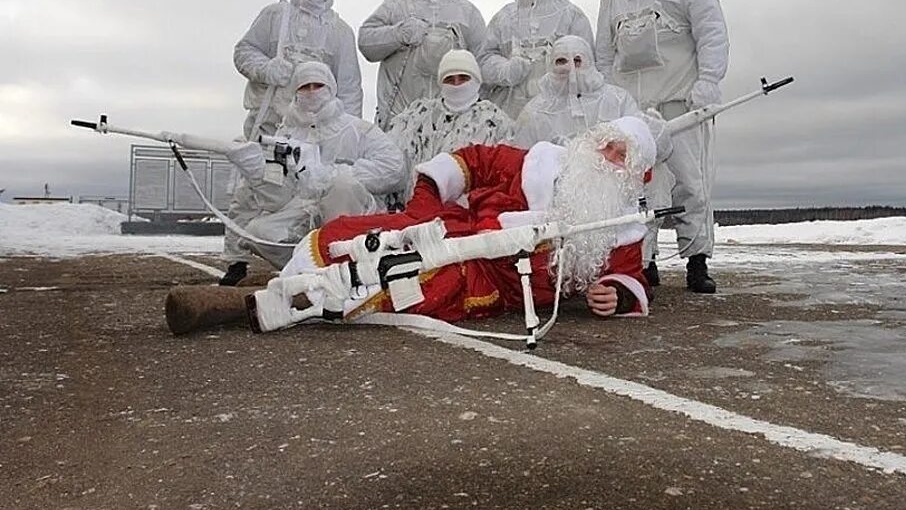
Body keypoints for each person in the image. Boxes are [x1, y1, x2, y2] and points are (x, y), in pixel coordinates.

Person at [249, 117, 659, 332]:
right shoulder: (536, 164)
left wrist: (618, 297)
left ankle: (312, 302)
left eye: (621, 155)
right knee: (362, 239)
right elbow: (470, 162)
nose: (606, 157)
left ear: (637, 174)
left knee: (413, 287)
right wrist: (422, 208)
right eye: (605, 144)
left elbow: (630, 277)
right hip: (450, 230)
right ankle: (295, 281)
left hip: (485, 286)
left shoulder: (621, 229)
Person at [595, 0, 729, 293]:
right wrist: (609, 99)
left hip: (681, 101)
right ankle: (643, 260)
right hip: (634, 112)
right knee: (638, 189)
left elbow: (711, 28)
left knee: (693, 184)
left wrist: (708, 80)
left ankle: (697, 260)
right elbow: (604, 51)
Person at [218, 62, 405, 285]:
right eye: (304, 87)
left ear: (331, 88)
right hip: (306, 210)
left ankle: (351, 263)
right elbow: (273, 196)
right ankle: (310, 267)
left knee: (342, 185)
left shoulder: (358, 129)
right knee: (258, 231)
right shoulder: (285, 135)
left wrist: (333, 174)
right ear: (295, 92)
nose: (312, 92)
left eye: (318, 85)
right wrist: (258, 172)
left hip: (353, 216)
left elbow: (394, 168)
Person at [359, 0, 487, 130]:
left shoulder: (468, 12)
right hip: (397, 119)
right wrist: (398, 33)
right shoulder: (397, 5)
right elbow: (366, 41)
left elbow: (482, 64)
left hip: (452, 124)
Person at [233, 0, 363, 140]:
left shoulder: (341, 32)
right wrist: (265, 69)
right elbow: (244, 50)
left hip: (315, 134)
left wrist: (350, 135)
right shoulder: (275, 15)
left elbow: (349, 89)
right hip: (265, 125)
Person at [385, 49, 515, 206]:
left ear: (476, 80)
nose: (456, 84)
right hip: (417, 209)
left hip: (468, 214)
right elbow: (393, 160)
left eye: (463, 78)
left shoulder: (495, 121)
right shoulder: (417, 117)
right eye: (450, 79)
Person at [479, 0, 594, 119]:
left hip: (562, 113)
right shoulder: (505, 17)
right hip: (510, 113)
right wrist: (505, 70)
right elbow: (484, 59)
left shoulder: (571, 15)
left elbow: (589, 64)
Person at [515, 35, 640, 148]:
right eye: (562, 61)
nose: (570, 68)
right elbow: (522, 156)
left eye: (577, 60)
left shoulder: (617, 99)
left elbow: (637, 141)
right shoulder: (535, 111)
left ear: (589, 61)